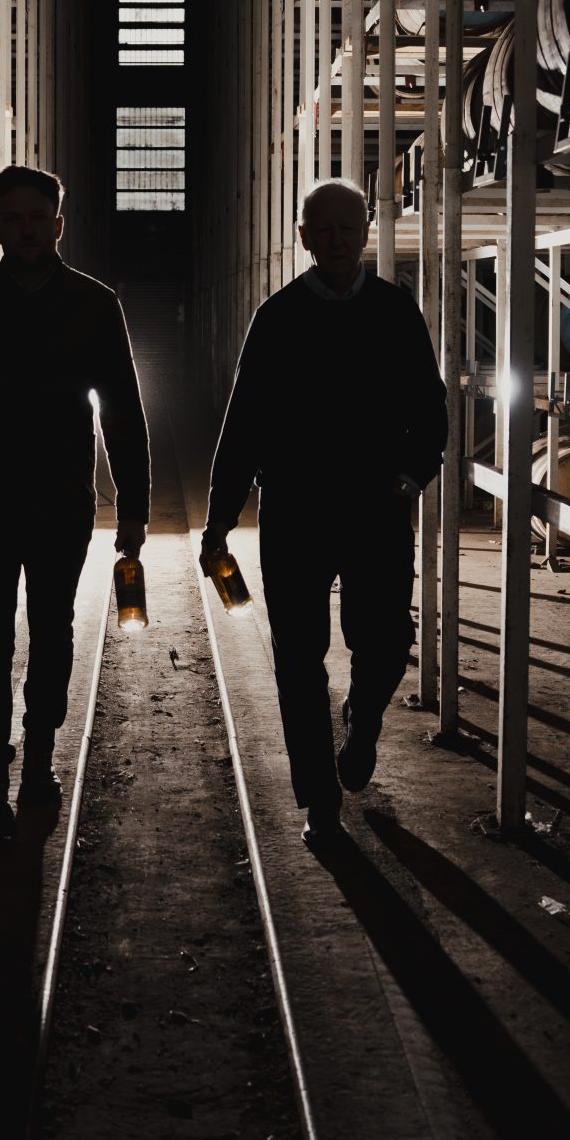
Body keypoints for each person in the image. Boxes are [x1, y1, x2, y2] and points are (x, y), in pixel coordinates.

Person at [0, 164, 149, 839]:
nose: (26, 230)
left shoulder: (95, 305)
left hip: (61, 502)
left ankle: (38, 755)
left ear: (57, 224)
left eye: (38, 218)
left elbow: (124, 411)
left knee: (52, 631)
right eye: (13, 218)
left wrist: (133, 509)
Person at [201, 179, 447, 845]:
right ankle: (319, 802)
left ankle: (362, 721)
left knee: (388, 641)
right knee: (298, 657)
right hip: (296, 510)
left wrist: (409, 477)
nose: (337, 240)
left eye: (349, 226)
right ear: (303, 236)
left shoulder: (397, 313)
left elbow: (430, 409)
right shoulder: (277, 317)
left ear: (366, 231)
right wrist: (219, 520)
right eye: (323, 228)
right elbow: (243, 423)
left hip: (375, 508)